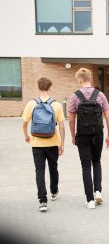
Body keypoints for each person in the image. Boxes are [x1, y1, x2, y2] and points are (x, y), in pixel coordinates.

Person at [68, 68, 109, 209]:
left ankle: (90, 200)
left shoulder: (75, 96)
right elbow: (108, 116)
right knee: (97, 161)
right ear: (90, 79)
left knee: (86, 166)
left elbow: (71, 118)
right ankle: (98, 191)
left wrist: (72, 135)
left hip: (82, 134)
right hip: (98, 133)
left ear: (80, 80)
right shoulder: (100, 95)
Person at [22, 77, 65, 212]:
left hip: (36, 143)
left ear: (38, 87)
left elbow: (24, 123)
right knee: (53, 168)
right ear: (50, 88)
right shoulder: (56, 105)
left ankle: (42, 201)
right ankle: (54, 191)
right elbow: (62, 127)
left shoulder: (31, 104)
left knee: (39, 171)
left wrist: (27, 136)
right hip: (53, 142)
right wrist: (62, 144)